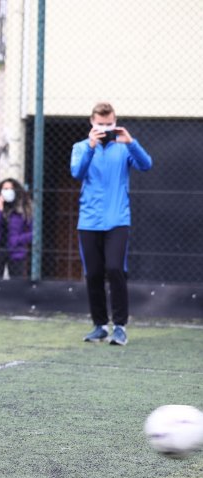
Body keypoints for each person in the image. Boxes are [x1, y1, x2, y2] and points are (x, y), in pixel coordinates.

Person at [70, 102, 152, 346]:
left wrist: (131, 142)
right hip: (89, 221)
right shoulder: (81, 147)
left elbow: (146, 164)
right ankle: (99, 326)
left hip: (118, 220)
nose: (105, 128)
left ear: (115, 122)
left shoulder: (124, 148)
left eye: (109, 124)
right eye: (100, 124)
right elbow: (76, 172)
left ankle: (120, 327)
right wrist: (91, 147)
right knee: (93, 274)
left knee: (116, 269)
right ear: (92, 123)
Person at [0, 178, 32, 279]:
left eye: (10, 189)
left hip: (16, 252)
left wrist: (18, 240)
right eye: (5, 189)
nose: (7, 191)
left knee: (16, 285)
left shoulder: (23, 209)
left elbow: (33, 233)